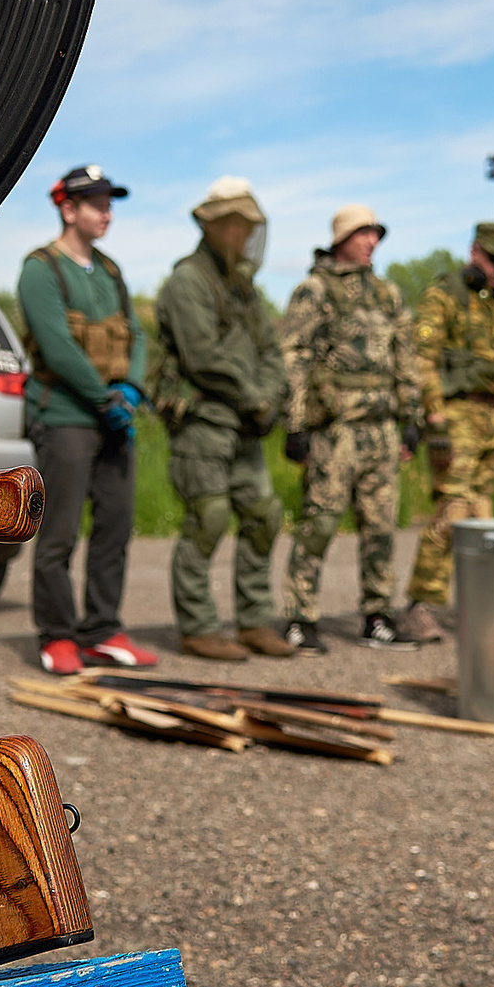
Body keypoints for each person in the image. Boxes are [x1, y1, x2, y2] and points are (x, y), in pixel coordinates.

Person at [17, 165, 157, 676]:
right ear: (68, 208)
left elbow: (136, 335)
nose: (107, 213)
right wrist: (104, 400)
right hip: (65, 418)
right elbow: (57, 348)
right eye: (97, 204)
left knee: (115, 526)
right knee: (60, 532)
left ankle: (102, 631)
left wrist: (132, 389)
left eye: (109, 204)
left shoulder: (111, 270)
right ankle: (57, 635)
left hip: (114, 418)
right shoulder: (41, 269)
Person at [149, 176, 296, 663]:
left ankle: (254, 622)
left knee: (263, 515)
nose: (244, 234)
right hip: (203, 424)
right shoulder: (187, 281)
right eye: (236, 224)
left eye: (249, 225)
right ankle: (198, 628)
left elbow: (271, 350)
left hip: (245, 426)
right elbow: (202, 357)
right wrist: (254, 398)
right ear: (214, 226)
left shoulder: (244, 288)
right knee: (208, 518)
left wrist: (268, 396)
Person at [278, 204, 421, 652]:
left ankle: (378, 615)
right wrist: (295, 424)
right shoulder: (315, 290)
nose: (372, 242)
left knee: (381, 528)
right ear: (341, 238)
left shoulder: (387, 294)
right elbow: (294, 356)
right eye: (363, 234)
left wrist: (412, 417)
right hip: (334, 431)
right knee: (319, 524)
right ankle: (300, 618)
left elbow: (406, 356)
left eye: (376, 234)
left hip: (381, 429)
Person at [401, 222, 494, 641]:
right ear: (475, 252)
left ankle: (479, 605)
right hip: (456, 415)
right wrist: (435, 421)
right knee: (451, 511)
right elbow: (423, 360)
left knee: (482, 515)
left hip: (491, 421)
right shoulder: (445, 295)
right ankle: (420, 605)